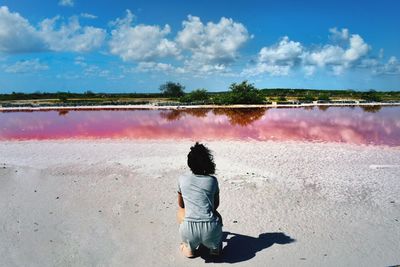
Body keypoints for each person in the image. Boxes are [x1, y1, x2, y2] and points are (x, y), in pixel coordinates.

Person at [177, 142, 223, 258]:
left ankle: (189, 248)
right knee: (216, 215)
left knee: (181, 210)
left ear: (189, 163)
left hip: (188, 230)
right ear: (207, 162)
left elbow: (181, 204)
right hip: (211, 230)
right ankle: (214, 249)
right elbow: (215, 205)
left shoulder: (182, 179)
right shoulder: (212, 180)